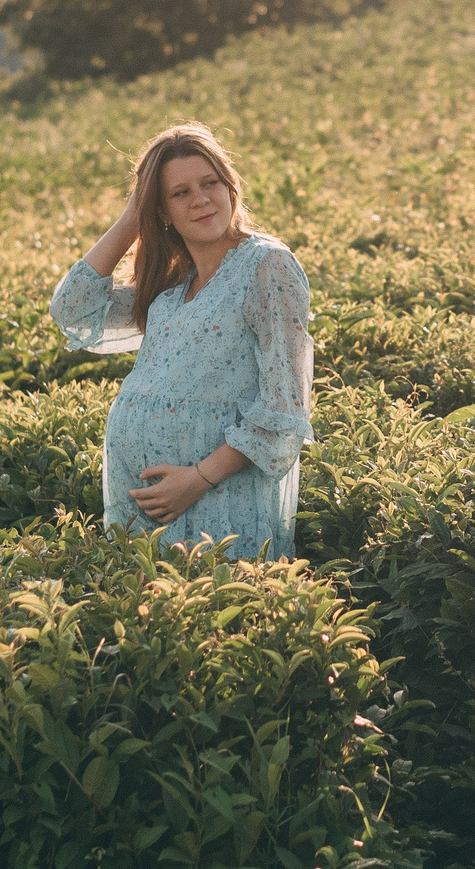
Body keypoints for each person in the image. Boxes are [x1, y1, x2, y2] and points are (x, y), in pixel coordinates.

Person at [49, 122, 313, 557]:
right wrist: (132, 217)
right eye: (179, 193)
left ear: (231, 188)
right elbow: (72, 311)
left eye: (210, 184)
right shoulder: (172, 284)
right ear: (161, 211)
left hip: (219, 503)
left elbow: (284, 408)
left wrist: (197, 480)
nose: (201, 200)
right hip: (142, 510)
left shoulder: (266, 266)